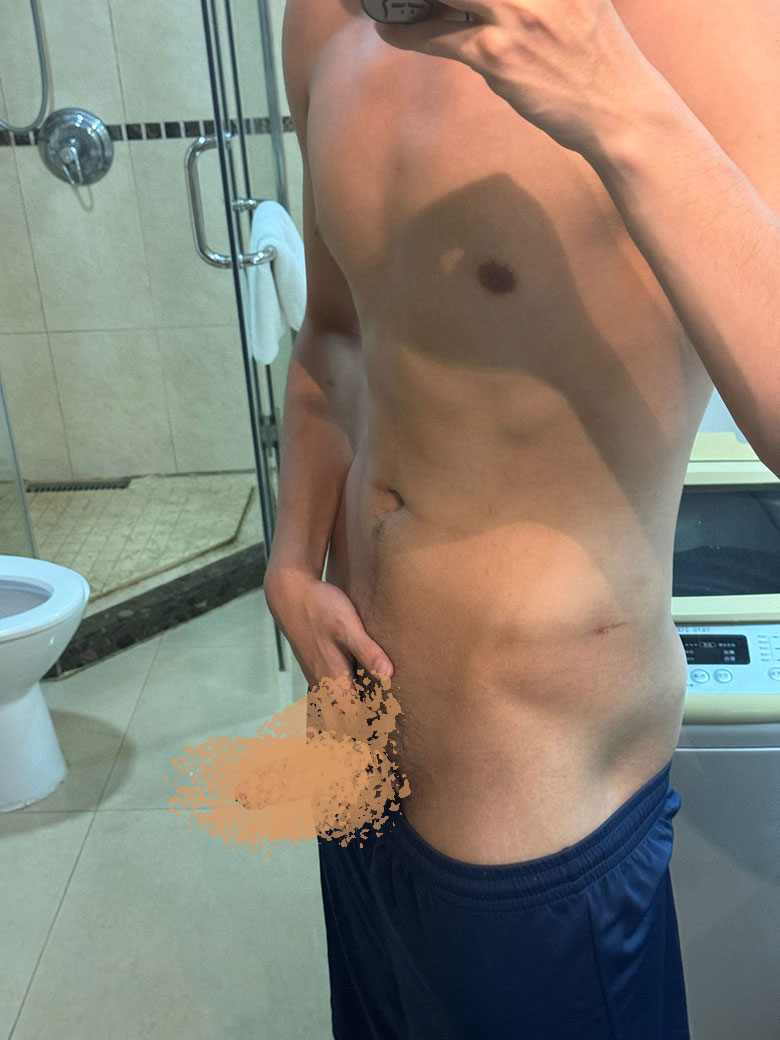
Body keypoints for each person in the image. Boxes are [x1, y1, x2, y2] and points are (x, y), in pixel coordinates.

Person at [264, 0, 780, 1036]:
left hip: (531, 800)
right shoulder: (326, 19)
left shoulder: (716, 26)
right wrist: (289, 558)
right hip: (353, 737)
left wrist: (610, 92)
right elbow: (334, 333)